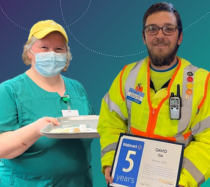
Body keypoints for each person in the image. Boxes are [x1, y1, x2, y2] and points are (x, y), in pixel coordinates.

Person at [97, 2, 210, 187]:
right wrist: (111, 160)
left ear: (180, 36)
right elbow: (110, 123)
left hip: (174, 182)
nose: (160, 35)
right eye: (152, 29)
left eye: (168, 29)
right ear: (144, 36)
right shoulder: (127, 75)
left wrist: (181, 181)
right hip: (128, 178)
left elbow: (208, 140)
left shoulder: (203, 82)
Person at [0, 20, 94, 187]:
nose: (52, 54)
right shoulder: (9, 91)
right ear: (29, 52)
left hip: (79, 182)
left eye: (59, 49)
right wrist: (36, 130)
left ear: (66, 55)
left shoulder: (77, 88)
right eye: (44, 48)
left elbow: (92, 128)